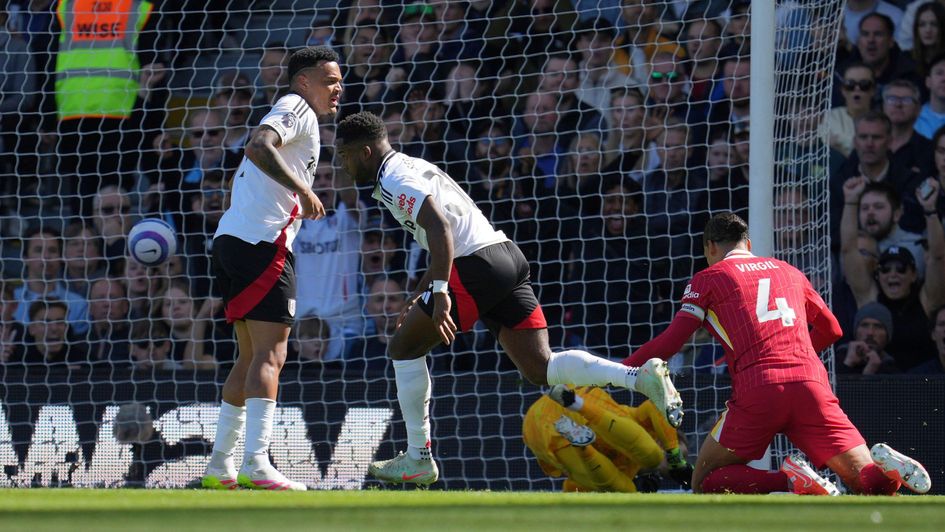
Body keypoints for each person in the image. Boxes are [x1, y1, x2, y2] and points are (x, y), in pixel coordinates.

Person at [334, 110, 683, 486]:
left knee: (403, 349)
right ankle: (638, 377)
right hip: (504, 256)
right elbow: (438, 236)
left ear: (365, 152)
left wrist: (439, 294)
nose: (343, 165)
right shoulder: (411, 165)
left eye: (343, 156)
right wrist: (420, 292)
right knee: (540, 368)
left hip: (474, 266)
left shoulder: (393, 177)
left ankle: (419, 457)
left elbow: (440, 227)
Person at [623, 212, 931, 496]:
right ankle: (890, 472)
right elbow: (833, 330)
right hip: (811, 385)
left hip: (759, 388)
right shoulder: (789, 271)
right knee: (868, 484)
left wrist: (620, 369)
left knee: (704, 480)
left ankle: (790, 480)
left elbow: (672, 341)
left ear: (710, 247)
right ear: (749, 244)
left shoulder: (709, 277)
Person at [200, 46, 343, 492]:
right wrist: (302, 189)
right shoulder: (295, 106)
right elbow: (258, 145)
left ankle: (220, 466)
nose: (338, 88)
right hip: (263, 245)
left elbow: (246, 171)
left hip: (233, 239)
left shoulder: (300, 114)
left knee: (249, 355)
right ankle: (257, 463)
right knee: (272, 355)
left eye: (339, 81)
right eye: (329, 80)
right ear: (303, 82)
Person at [522, 385, 693, 493]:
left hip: (544, 429)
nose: (672, 466)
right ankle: (579, 408)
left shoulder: (626, 474)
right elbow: (655, 405)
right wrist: (675, 454)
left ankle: (580, 441)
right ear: (659, 439)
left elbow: (572, 489)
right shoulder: (644, 423)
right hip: (573, 402)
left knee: (622, 489)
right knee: (651, 457)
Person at [837, 302, 900, 374]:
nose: (870, 333)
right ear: (856, 330)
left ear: (887, 335)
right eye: (864, 325)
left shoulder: (892, 371)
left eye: (878, 327)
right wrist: (848, 363)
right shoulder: (833, 360)